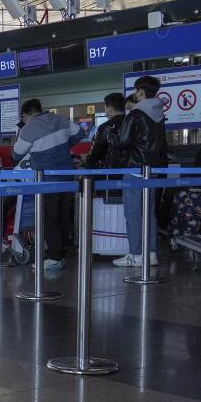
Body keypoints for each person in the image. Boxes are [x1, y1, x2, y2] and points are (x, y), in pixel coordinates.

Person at [13, 99, 84, 269]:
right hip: (67, 176)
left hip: (46, 179)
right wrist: (63, 147)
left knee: (50, 218)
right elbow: (80, 133)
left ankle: (55, 258)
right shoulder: (60, 119)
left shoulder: (29, 128)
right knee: (63, 215)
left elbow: (16, 154)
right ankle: (62, 251)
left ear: (25, 115)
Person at [108, 75, 167, 267]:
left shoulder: (135, 114)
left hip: (135, 169)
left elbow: (121, 142)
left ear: (140, 92)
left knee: (133, 213)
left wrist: (110, 134)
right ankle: (151, 254)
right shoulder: (159, 115)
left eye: (136, 91)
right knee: (149, 213)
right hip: (153, 170)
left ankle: (135, 254)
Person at [84, 93, 127, 169]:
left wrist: (87, 163)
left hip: (110, 171)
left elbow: (96, 151)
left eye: (105, 108)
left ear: (110, 109)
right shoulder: (133, 123)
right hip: (131, 170)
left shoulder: (105, 127)